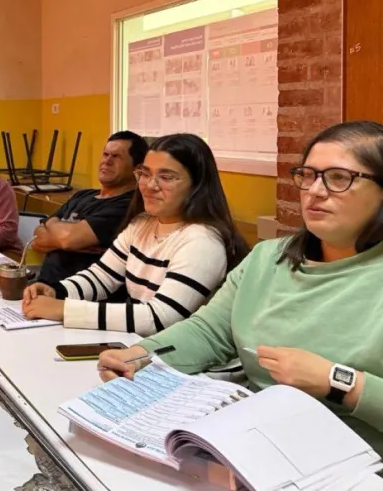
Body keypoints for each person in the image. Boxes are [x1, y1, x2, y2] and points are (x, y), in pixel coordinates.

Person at [98, 121, 383, 456]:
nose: (315, 191)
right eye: (308, 175)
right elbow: (210, 331)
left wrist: (339, 382)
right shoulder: (268, 258)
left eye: (338, 178)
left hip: (353, 462)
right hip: (256, 442)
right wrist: (143, 354)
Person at [21, 133, 248, 338]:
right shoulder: (142, 224)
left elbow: (159, 319)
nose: (150, 185)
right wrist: (56, 291)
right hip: (138, 350)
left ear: (197, 186)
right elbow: (101, 277)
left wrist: (64, 309)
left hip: (181, 367)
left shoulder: (202, 241)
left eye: (166, 177)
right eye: (145, 173)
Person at [32, 131, 147, 291]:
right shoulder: (82, 195)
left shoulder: (128, 205)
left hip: (79, 297)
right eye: (105, 154)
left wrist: (57, 232)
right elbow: (37, 240)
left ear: (137, 168)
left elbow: (68, 239)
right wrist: (64, 237)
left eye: (116, 156)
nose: (107, 161)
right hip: (42, 287)